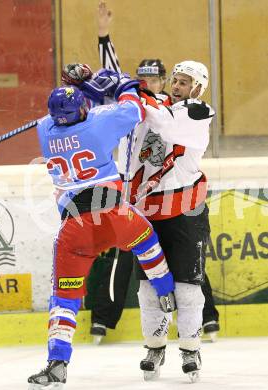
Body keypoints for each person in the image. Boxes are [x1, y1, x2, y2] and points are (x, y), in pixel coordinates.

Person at [27, 75, 176, 388]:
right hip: (115, 217)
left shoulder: (44, 130)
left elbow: (64, 113)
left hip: (75, 230)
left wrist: (78, 89)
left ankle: (57, 362)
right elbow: (133, 108)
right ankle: (166, 293)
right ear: (80, 110)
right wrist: (124, 85)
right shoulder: (97, 127)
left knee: (64, 299)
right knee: (147, 241)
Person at [90, 0, 220, 351]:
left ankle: (202, 325)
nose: (173, 85)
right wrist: (104, 44)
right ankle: (146, 339)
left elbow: (164, 117)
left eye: (180, 80)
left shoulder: (192, 111)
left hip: (183, 204)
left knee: (189, 275)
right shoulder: (142, 106)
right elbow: (116, 85)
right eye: (174, 80)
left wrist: (137, 94)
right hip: (143, 204)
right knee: (146, 278)